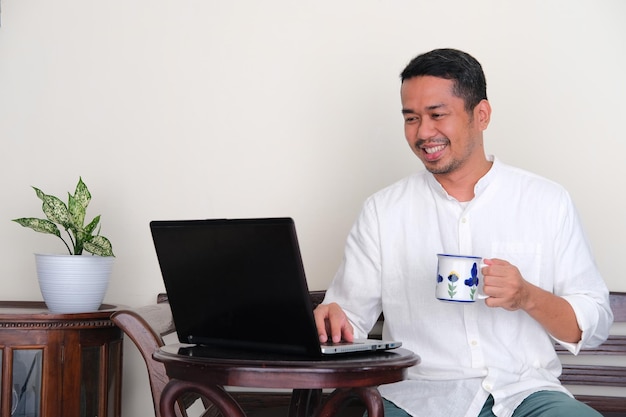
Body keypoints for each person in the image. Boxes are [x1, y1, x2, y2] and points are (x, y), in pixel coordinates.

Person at [313, 48, 613, 417]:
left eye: (437, 115)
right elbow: (349, 322)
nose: (423, 132)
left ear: (481, 115)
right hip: (414, 398)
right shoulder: (383, 211)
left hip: (524, 395)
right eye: (411, 118)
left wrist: (526, 296)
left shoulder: (547, 202)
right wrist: (333, 321)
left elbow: (592, 325)